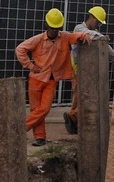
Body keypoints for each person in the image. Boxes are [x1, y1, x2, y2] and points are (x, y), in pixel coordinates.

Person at [14, 8, 89, 146]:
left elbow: (77, 35)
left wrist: (85, 36)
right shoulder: (38, 39)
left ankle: (18, 130)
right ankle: (40, 137)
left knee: (45, 109)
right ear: (47, 26)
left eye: (57, 28)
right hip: (36, 79)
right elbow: (20, 49)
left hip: (51, 80)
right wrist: (30, 66)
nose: (55, 30)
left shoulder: (65, 37)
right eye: (53, 28)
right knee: (36, 110)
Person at [65, 6, 114, 135]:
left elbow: (106, 46)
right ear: (91, 17)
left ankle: (75, 120)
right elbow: (95, 36)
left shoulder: (95, 33)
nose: (98, 24)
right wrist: (102, 37)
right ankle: (72, 118)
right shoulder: (79, 28)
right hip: (77, 68)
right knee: (79, 95)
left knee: (85, 96)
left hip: (88, 70)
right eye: (97, 21)